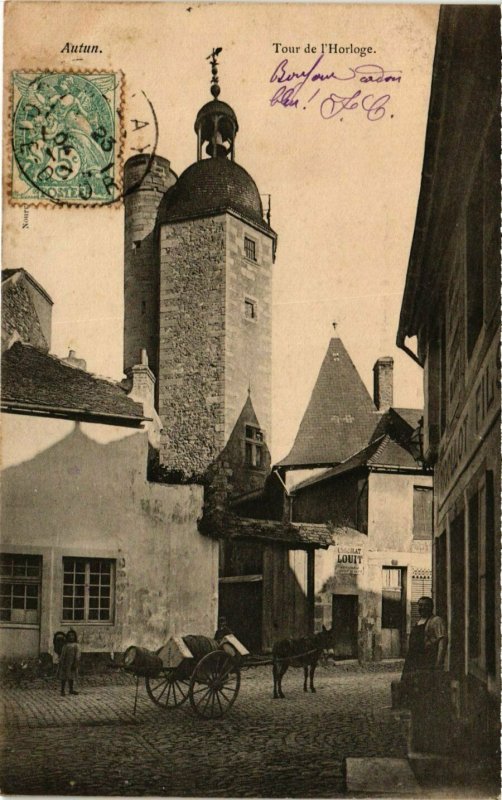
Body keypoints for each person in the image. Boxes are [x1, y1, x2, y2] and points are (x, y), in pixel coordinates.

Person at [402, 596, 447, 676]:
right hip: (413, 661)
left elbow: (442, 642)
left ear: (431, 607)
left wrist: (438, 663)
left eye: (425, 605)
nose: (422, 608)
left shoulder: (436, 621)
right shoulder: (418, 621)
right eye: (420, 605)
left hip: (427, 661)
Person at [57, 629, 81, 696]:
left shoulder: (76, 645)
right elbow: (62, 654)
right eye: (69, 636)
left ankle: (71, 689)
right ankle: (62, 690)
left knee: (71, 676)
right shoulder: (65, 645)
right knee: (63, 677)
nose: (71, 637)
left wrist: (75, 663)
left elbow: (77, 655)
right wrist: (61, 662)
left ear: (75, 637)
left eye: (72, 636)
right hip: (65, 663)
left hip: (72, 663)